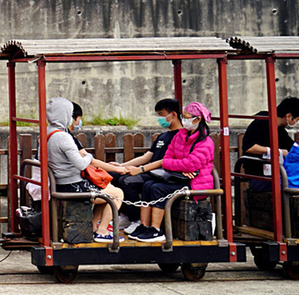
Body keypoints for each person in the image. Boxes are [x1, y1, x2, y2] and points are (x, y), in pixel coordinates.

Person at [129, 102, 215, 243]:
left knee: (158, 189)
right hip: (179, 178)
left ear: (198, 119)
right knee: (148, 185)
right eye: (184, 117)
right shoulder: (179, 137)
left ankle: (156, 230)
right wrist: (180, 167)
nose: (185, 121)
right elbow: (170, 157)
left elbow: (189, 164)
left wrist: (177, 165)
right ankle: (144, 226)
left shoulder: (206, 142)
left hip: (195, 184)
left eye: (188, 118)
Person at [45, 97, 126, 243]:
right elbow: (81, 164)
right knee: (117, 193)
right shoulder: (64, 137)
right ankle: (102, 231)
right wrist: (88, 156)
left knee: (107, 189)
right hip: (73, 186)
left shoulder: (47, 133)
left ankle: (94, 227)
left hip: (60, 182)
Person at [110, 98, 183, 226]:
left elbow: (166, 161)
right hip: (150, 171)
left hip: (163, 174)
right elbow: (146, 157)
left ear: (173, 114)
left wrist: (140, 170)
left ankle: (136, 219)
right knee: (115, 175)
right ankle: (125, 214)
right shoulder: (162, 136)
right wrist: (121, 166)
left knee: (127, 181)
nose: (159, 118)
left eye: (161, 114)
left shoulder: (182, 136)